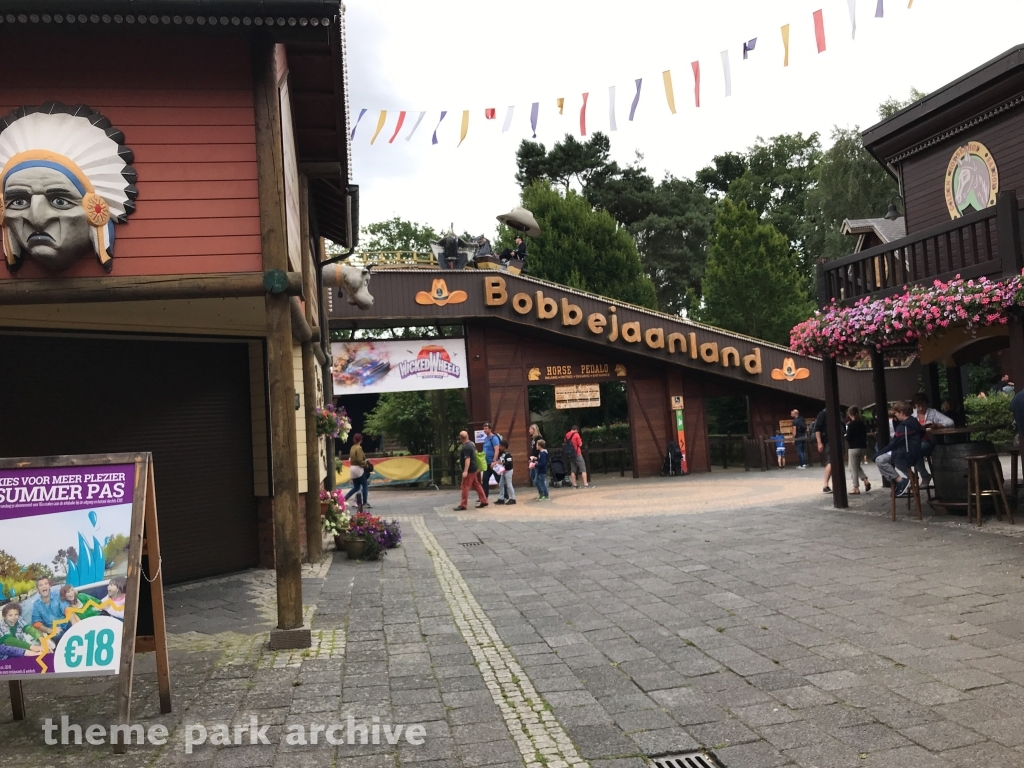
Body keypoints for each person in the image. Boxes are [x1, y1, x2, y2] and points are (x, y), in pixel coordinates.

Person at [875, 402, 926, 497]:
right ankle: (901, 480)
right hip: (913, 452)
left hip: (905, 453)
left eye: (897, 413)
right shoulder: (914, 422)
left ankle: (900, 481)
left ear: (902, 412)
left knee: (880, 460)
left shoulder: (904, 427)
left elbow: (894, 443)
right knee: (889, 461)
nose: (895, 415)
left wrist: (879, 453)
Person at [912, 393, 953, 486]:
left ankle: (924, 476)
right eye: (919, 406)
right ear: (915, 406)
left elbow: (950, 422)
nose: (921, 408)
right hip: (915, 441)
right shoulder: (912, 415)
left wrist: (938, 425)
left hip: (929, 441)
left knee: (914, 451)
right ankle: (924, 475)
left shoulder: (933, 412)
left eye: (923, 405)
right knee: (911, 451)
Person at [454, 430, 488, 510]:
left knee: (465, 486)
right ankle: (484, 500)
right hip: (474, 468)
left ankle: (463, 504)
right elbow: (475, 452)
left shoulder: (465, 447)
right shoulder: (472, 444)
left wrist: (465, 471)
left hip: (470, 470)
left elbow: (467, 459)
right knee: (476, 485)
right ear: (467, 436)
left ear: (461, 438)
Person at [846, 406, 871, 494]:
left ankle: (855, 487)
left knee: (852, 467)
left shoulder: (851, 425)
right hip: (863, 447)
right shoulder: (862, 424)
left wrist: (846, 436)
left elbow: (848, 437)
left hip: (853, 448)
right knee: (855, 466)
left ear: (850, 414)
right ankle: (865, 480)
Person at [344, 433, 371, 509]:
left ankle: (344, 499)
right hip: (358, 469)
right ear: (361, 440)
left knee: (356, 487)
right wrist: (366, 466)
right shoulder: (359, 448)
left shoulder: (352, 447)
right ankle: (365, 502)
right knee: (365, 485)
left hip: (352, 468)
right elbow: (360, 460)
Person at [812, 409, 832, 493]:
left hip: (836, 442)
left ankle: (830, 484)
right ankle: (825, 485)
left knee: (833, 462)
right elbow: (817, 429)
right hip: (828, 441)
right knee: (832, 462)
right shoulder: (823, 414)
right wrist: (819, 442)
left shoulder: (838, 414)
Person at [480, 423, 501, 498]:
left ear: (490, 429)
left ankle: (505, 495)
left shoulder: (494, 438)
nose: (485, 430)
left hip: (493, 463)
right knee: (485, 480)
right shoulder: (486, 439)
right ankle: (484, 497)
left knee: (499, 479)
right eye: (484, 428)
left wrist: (494, 461)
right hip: (486, 463)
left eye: (486, 428)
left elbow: (496, 450)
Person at [494, 439, 516, 505]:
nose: (499, 447)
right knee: (501, 484)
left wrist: (502, 463)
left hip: (508, 471)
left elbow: (510, 463)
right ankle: (501, 498)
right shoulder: (502, 454)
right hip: (504, 471)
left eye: (500, 446)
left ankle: (513, 498)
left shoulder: (507, 454)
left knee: (509, 485)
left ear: (504, 446)